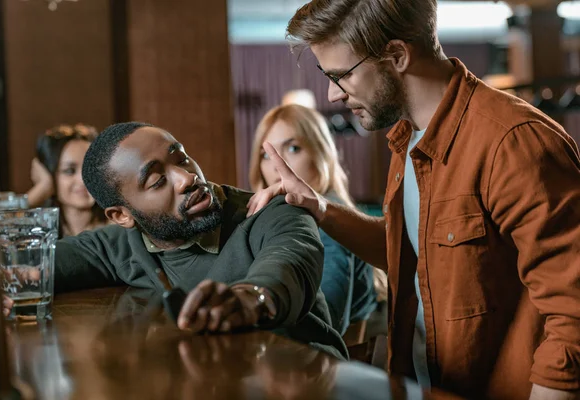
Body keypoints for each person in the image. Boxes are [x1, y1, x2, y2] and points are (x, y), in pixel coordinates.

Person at [246, 1, 580, 399]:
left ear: (398, 56)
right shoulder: (409, 138)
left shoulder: (513, 142)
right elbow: (414, 252)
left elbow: (573, 312)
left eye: (342, 76)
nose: (332, 94)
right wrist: (320, 208)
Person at [5, 121, 347, 360]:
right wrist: (3, 284)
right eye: (156, 181)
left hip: (302, 381)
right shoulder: (122, 243)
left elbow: (288, 266)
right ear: (122, 215)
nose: (187, 178)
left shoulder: (272, 212)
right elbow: (25, 265)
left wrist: (247, 300)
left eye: (181, 158)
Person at [249, 104, 377, 335]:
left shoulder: (327, 224)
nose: (279, 165)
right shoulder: (273, 220)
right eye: (267, 154)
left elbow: (324, 323)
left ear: (321, 155)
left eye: (294, 148)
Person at [26, 124, 107, 237]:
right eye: (69, 171)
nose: (83, 179)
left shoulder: (119, 229)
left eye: (90, 168)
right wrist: (41, 188)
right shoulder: (38, 232)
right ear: (49, 174)